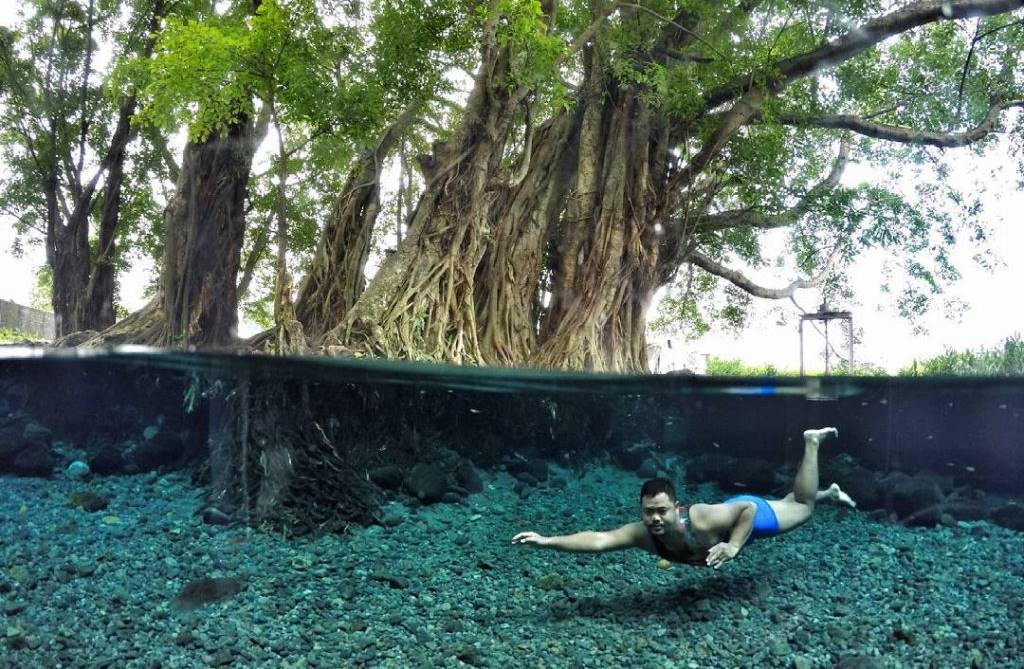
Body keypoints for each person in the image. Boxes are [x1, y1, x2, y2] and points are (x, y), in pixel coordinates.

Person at [511, 427, 855, 569]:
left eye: (661, 511)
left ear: (676, 508)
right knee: (793, 503)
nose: (655, 519)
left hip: (749, 519)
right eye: (648, 513)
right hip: (734, 516)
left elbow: (747, 508)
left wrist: (734, 546)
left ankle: (811, 442)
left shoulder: (701, 518)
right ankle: (831, 493)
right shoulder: (641, 533)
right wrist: (546, 541)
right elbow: (600, 540)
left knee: (802, 508)